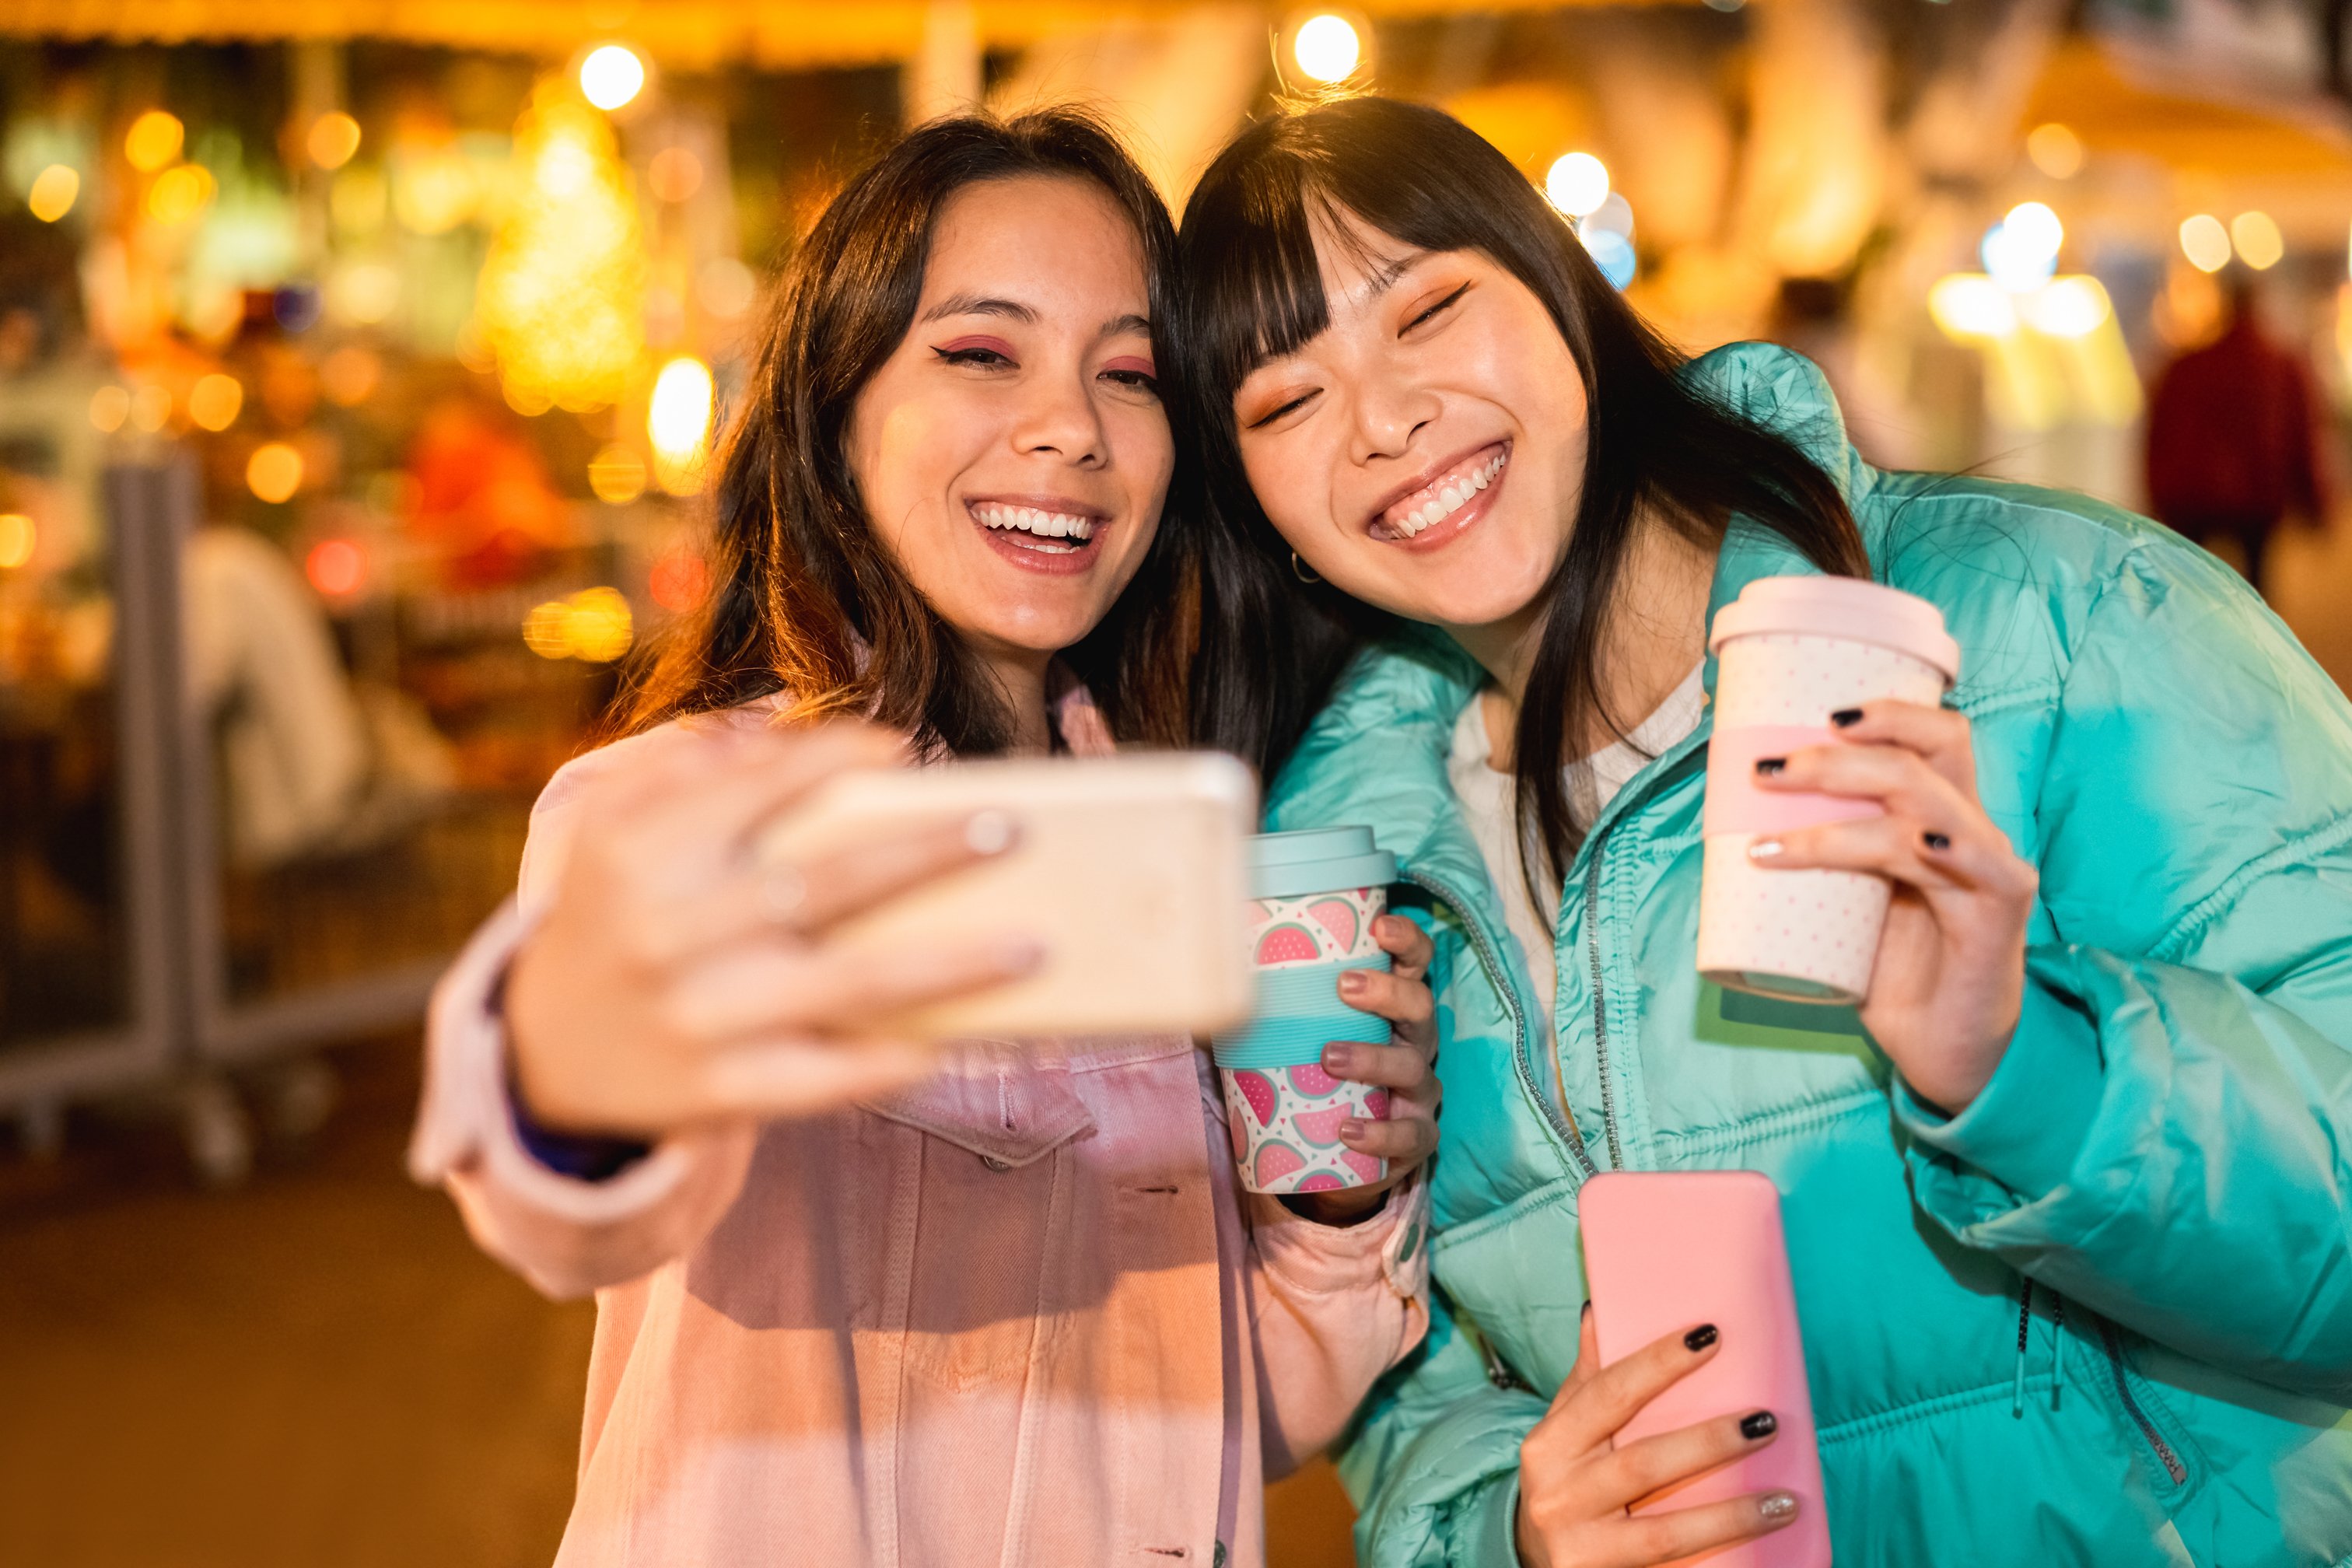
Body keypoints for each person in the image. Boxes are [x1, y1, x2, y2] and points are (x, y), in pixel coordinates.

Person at [1174, 96, 2352, 1568]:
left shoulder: (2053, 620)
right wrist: (1513, 1533)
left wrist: (2023, 1066)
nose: (1382, 421)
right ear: (1257, 509)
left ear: (1567, 303)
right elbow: (1412, 1400)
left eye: (1428, 311)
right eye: (1285, 402)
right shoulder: (1354, 876)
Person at [409, 110, 1441, 1568]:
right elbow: (560, 1201)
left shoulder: (1173, 851)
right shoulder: (683, 807)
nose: (1069, 427)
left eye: (1127, 373)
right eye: (979, 352)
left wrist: (1329, 1196)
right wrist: (575, 1054)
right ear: (837, 411)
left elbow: (1211, 1435)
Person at [2144, 270, 2330, 594]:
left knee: (2187, 587)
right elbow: (2302, 437)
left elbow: (2161, 433)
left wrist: (2157, 491)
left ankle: (2190, 641)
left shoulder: (2189, 365)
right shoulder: (2282, 365)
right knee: (2257, 590)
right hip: (2259, 496)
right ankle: (2253, 644)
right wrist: (2314, 502)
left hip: (2193, 495)